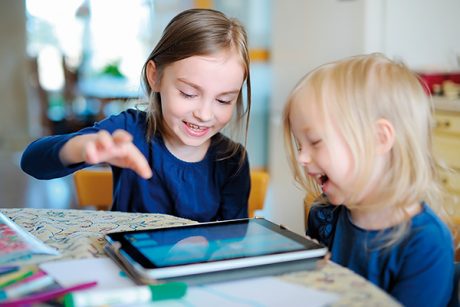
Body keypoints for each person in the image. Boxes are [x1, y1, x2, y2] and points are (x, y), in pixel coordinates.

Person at [21, 8, 252, 222]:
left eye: (224, 100)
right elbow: (31, 161)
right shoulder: (128, 131)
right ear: (155, 76)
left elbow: (232, 243)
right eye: (188, 93)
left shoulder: (233, 161)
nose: (204, 114)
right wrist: (83, 146)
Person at [282, 53, 455, 306]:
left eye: (315, 142)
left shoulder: (426, 245)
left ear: (379, 139)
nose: (302, 158)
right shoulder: (323, 216)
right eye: (299, 145)